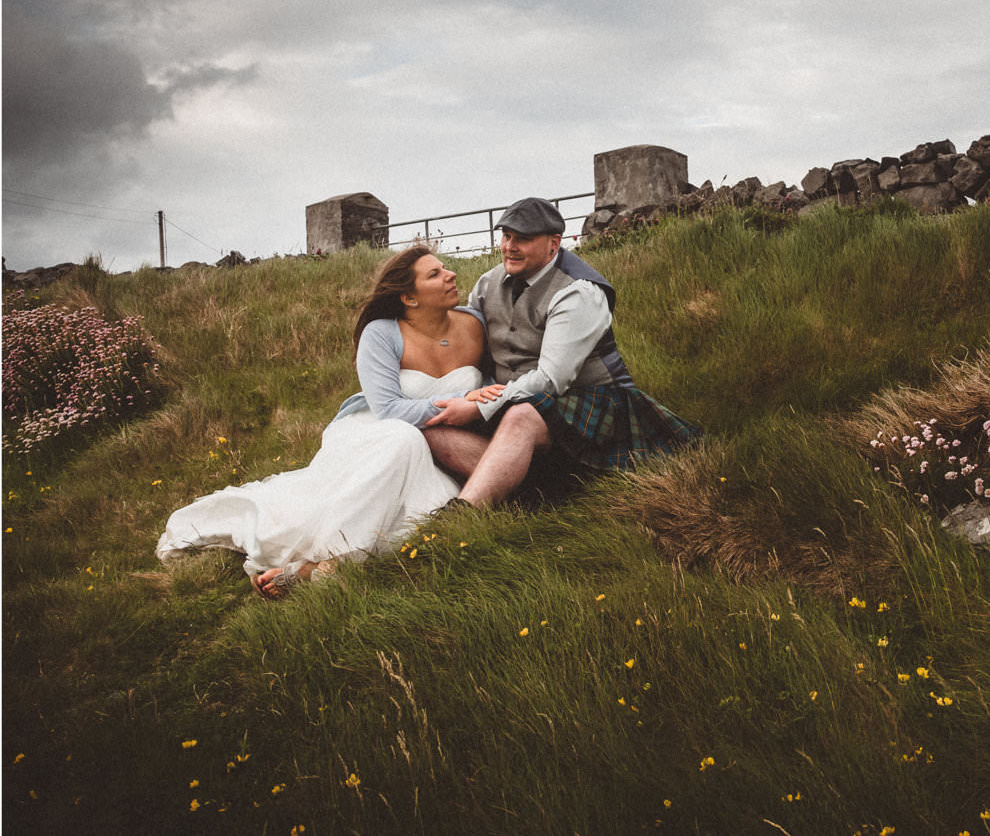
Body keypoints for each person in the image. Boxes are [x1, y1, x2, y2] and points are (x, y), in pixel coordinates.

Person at [156, 246, 485, 598]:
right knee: (402, 439)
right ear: (409, 297)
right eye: (434, 274)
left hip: (440, 450)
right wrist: (457, 406)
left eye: (445, 268)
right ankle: (326, 561)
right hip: (373, 432)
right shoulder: (381, 333)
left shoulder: (474, 325)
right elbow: (389, 409)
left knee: (425, 515)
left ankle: (324, 565)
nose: (450, 274)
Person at [423, 196, 700, 505]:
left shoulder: (578, 292)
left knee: (521, 417)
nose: (509, 246)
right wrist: (467, 394)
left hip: (588, 403)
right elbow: (466, 344)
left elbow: (551, 380)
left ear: (554, 244)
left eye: (523, 239)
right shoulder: (488, 283)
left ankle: (464, 514)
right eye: (507, 236)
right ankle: (525, 488)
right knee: (433, 426)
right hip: (509, 397)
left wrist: (480, 408)